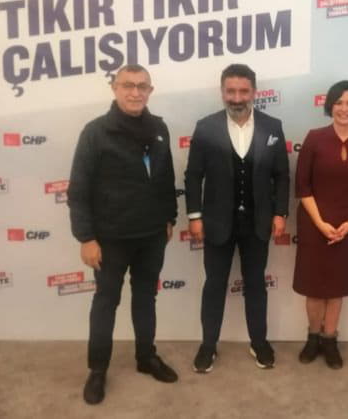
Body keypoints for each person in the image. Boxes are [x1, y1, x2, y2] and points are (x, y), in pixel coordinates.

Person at [67, 64, 178, 405]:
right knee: (106, 302)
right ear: (115, 88)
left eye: (142, 86)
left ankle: (146, 357)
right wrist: (86, 238)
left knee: (146, 298)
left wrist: (169, 217)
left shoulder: (159, 129)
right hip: (110, 239)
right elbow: (78, 190)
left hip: (151, 236)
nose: (135, 92)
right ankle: (97, 370)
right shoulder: (95, 133)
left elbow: (165, 178)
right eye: (128, 85)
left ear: (150, 91)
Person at [185, 63, 290, 372]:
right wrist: (194, 216)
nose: (237, 97)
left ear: (254, 92)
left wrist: (280, 213)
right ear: (222, 92)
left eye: (243, 91)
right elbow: (193, 175)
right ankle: (208, 346)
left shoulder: (272, 126)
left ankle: (259, 342)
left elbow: (282, 175)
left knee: (256, 284)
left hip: (258, 222)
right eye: (230, 91)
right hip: (217, 222)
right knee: (214, 285)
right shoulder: (206, 127)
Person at [293, 80, 348, 369]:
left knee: (337, 287)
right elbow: (302, 186)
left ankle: (330, 340)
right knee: (314, 288)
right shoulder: (315, 138)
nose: (344, 108)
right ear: (330, 105)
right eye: (339, 102)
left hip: (347, 226)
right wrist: (320, 223)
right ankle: (313, 337)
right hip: (314, 223)